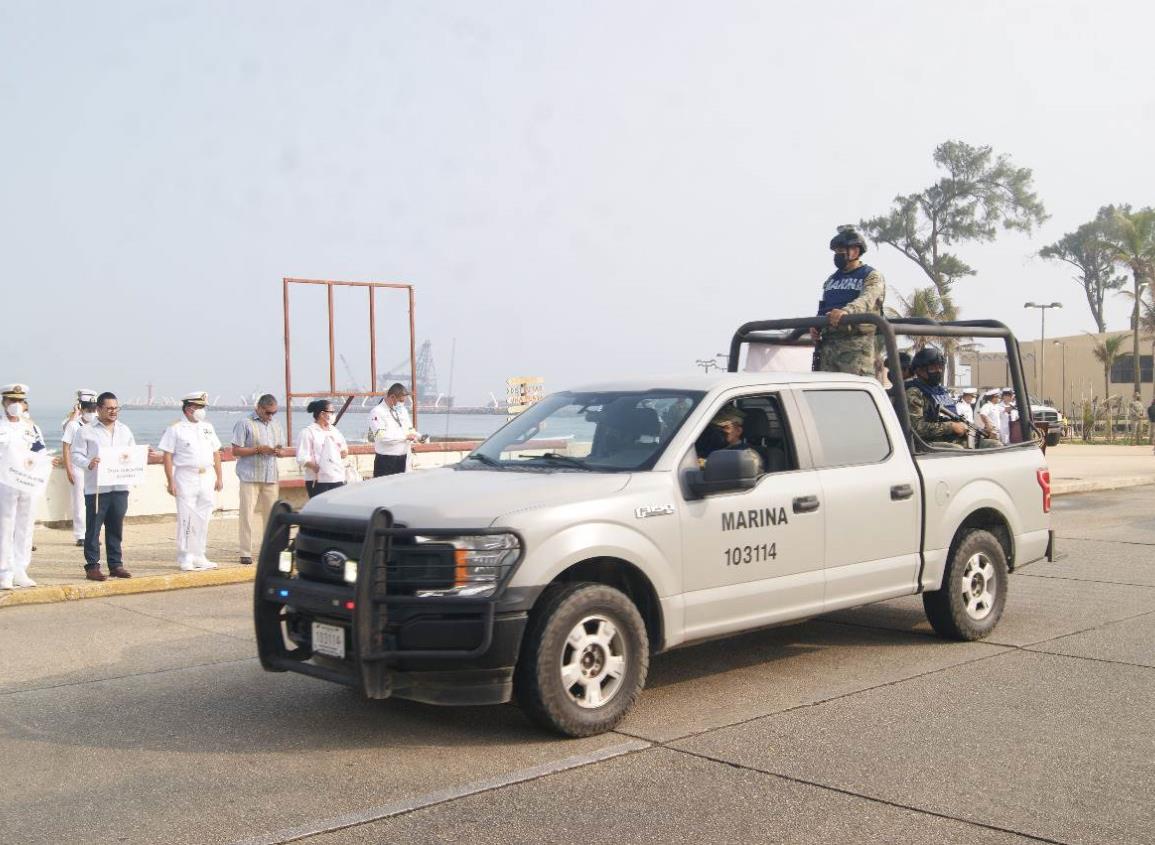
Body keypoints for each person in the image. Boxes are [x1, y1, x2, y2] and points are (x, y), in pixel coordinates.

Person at [69, 391, 134, 581]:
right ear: (99, 409)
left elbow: (131, 454)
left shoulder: (125, 430)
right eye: (109, 408)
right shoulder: (86, 430)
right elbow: (75, 455)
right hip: (97, 488)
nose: (114, 412)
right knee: (93, 528)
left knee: (116, 527)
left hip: (119, 486)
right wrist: (89, 462)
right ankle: (92, 566)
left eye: (116, 408)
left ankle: (115, 564)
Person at [158, 391, 223, 571]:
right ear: (188, 408)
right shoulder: (176, 428)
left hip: (207, 476)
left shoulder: (207, 427)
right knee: (187, 518)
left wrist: (219, 477)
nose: (202, 410)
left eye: (203, 407)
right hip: (185, 476)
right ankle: (185, 556)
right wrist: (170, 480)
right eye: (199, 407)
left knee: (203, 518)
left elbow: (216, 452)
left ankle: (199, 554)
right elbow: (167, 455)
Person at [813, 225, 886, 379]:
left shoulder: (871, 276)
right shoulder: (831, 280)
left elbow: (867, 299)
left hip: (857, 349)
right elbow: (825, 305)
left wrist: (846, 311)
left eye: (841, 251)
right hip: (828, 348)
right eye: (836, 252)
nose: (837, 255)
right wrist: (816, 325)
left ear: (855, 251)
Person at [0, 384, 47, 589]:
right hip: (4, 484)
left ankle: (20, 569)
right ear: (4, 403)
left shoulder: (31, 427)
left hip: (27, 484)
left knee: (25, 527)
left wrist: (46, 462)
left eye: (19, 401)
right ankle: (4, 572)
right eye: (12, 401)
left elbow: (40, 451)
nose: (16, 405)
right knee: (5, 528)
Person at [231, 394, 285, 565]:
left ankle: (269, 549)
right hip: (250, 476)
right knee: (247, 515)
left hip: (270, 476)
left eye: (274, 413)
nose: (271, 416)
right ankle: (245, 552)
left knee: (271, 516)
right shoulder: (245, 423)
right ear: (259, 408)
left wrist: (278, 452)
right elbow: (236, 450)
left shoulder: (276, 425)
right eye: (268, 413)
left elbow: (282, 448)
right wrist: (257, 450)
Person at [905, 348, 969, 447]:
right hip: (927, 445)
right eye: (933, 368)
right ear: (919, 370)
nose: (938, 371)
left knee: (993, 444)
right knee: (957, 449)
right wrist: (951, 427)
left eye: (940, 367)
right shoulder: (914, 392)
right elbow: (917, 428)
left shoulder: (941, 391)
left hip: (952, 439)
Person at [61, 389, 99, 547]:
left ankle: (93, 534)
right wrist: (69, 469)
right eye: (88, 409)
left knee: (94, 502)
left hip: (94, 466)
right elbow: (66, 447)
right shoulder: (73, 424)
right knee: (79, 501)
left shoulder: (98, 424)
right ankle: (80, 535)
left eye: (93, 409)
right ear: (81, 408)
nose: (91, 412)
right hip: (78, 466)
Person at [368, 383, 424, 477]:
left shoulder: (402, 410)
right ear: (392, 397)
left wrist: (419, 436)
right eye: (401, 400)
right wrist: (405, 437)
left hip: (403, 458)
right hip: (386, 460)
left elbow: (409, 428)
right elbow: (382, 436)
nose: (402, 403)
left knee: (400, 489)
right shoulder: (377, 412)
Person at [297, 399, 349, 497]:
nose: (333, 415)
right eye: (332, 412)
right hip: (317, 480)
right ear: (322, 414)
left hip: (336, 478)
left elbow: (344, 449)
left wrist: (341, 453)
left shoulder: (334, 431)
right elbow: (302, 457)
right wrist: (317, 468)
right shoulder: (308, 432)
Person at [695, 406, 764, 471]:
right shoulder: (708, 448)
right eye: (715, 427)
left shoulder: (747, 455)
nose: (718, 431)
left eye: (725, 427)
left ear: (738, 431)